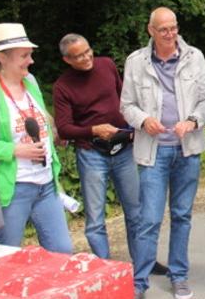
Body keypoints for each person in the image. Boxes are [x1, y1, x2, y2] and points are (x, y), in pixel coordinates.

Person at [120, 7, 205, 299]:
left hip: (187, 149)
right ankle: (139, 280)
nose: (171, 34)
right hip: (154, 151)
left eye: (173, 28)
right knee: (149, 219)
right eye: (164, 30)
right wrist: (144, 120)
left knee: (182, 215)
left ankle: (179, 276)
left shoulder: (194, 56)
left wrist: (193, 121)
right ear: (151, 31)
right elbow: (127, 105)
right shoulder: (136, 61)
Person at [0, 23, 72, 253]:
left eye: (30, 54)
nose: (31, 61)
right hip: (11, 190)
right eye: (24, 55)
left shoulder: (30, 82)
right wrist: (14, 150)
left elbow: (38, 117)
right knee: (8, 257)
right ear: (2, 57)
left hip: (46, 185)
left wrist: (55, 134)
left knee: (62, 252)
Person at [54, 33, 157, 268]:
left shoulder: (107, 65)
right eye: (78, 56)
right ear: (67, 60)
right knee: (95, 219)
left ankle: (143, 264)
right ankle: (105, 269)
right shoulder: (63, 86)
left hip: (123, 149)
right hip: (92, 153)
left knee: (136, 212)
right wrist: (94, 130)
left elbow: (125, 100)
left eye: (88, 51)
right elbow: (64, 128)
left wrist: (133, 128)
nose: (86, 58)